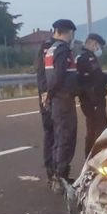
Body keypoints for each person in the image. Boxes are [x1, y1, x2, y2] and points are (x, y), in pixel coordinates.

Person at [43, 19, 81, 189]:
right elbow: (59, 75)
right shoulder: (63, 50)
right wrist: (50, 94)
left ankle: (58, 176)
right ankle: (61, 177)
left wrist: (48, 95)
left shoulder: (51, 49)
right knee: (66, 138)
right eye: (72, 33)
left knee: (59, 138)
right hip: (63, 99)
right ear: (68, 32)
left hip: (57, 100)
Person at [76, 32, 107, 159]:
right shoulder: (88, 58)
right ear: (94, 44)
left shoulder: (81, 57)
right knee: (98, 131)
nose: (100, 50)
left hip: (89, 99)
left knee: (92, 130)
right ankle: (95, 159)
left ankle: (90, 159)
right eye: (100, 46)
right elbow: (99, 78)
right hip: (93, 100)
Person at [34, 30, 56, 182]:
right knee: (51, 133)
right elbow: (45, 74)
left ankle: (53, 170)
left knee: (53, 134)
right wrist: (46, 95)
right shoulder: (50, 48)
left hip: (47, 95)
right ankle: (51, 171)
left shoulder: (48, 47)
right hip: (48, 96)